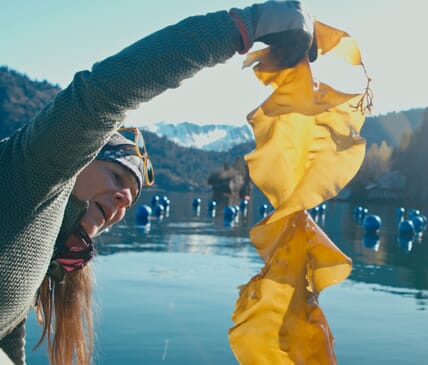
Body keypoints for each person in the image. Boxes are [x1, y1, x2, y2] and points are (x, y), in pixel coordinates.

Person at [0, 1, 316, 364]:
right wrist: (246, 26)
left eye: (130, 200)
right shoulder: (32, 167)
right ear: (80, 154)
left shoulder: (43, 255)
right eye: (116, 175)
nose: (122, 200)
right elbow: (107, 91)